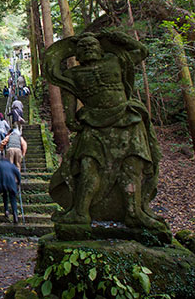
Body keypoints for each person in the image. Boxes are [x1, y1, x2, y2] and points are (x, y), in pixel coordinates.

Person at [43, 31, 167, 232]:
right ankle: (81, 212)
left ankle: (133, 212)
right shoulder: (71, 76)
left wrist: (117, 37)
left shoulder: (116, 60)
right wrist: (73, 122)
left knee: (132, 166)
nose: (88, 48)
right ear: (77, 55)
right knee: (88, 167)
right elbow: (70, 115)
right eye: (82, 47)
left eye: (92, 45)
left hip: (127, 119)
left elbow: (141, 51)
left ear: (101, 48)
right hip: (93, 123)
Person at [0, 159, 21, 224]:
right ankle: (15, 213)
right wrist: (19, 182)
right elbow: (17, 173)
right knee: (13, 199)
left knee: (5, 196)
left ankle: (6, 210)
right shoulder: (11, 165)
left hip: (3, 183)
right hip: (11, 183)